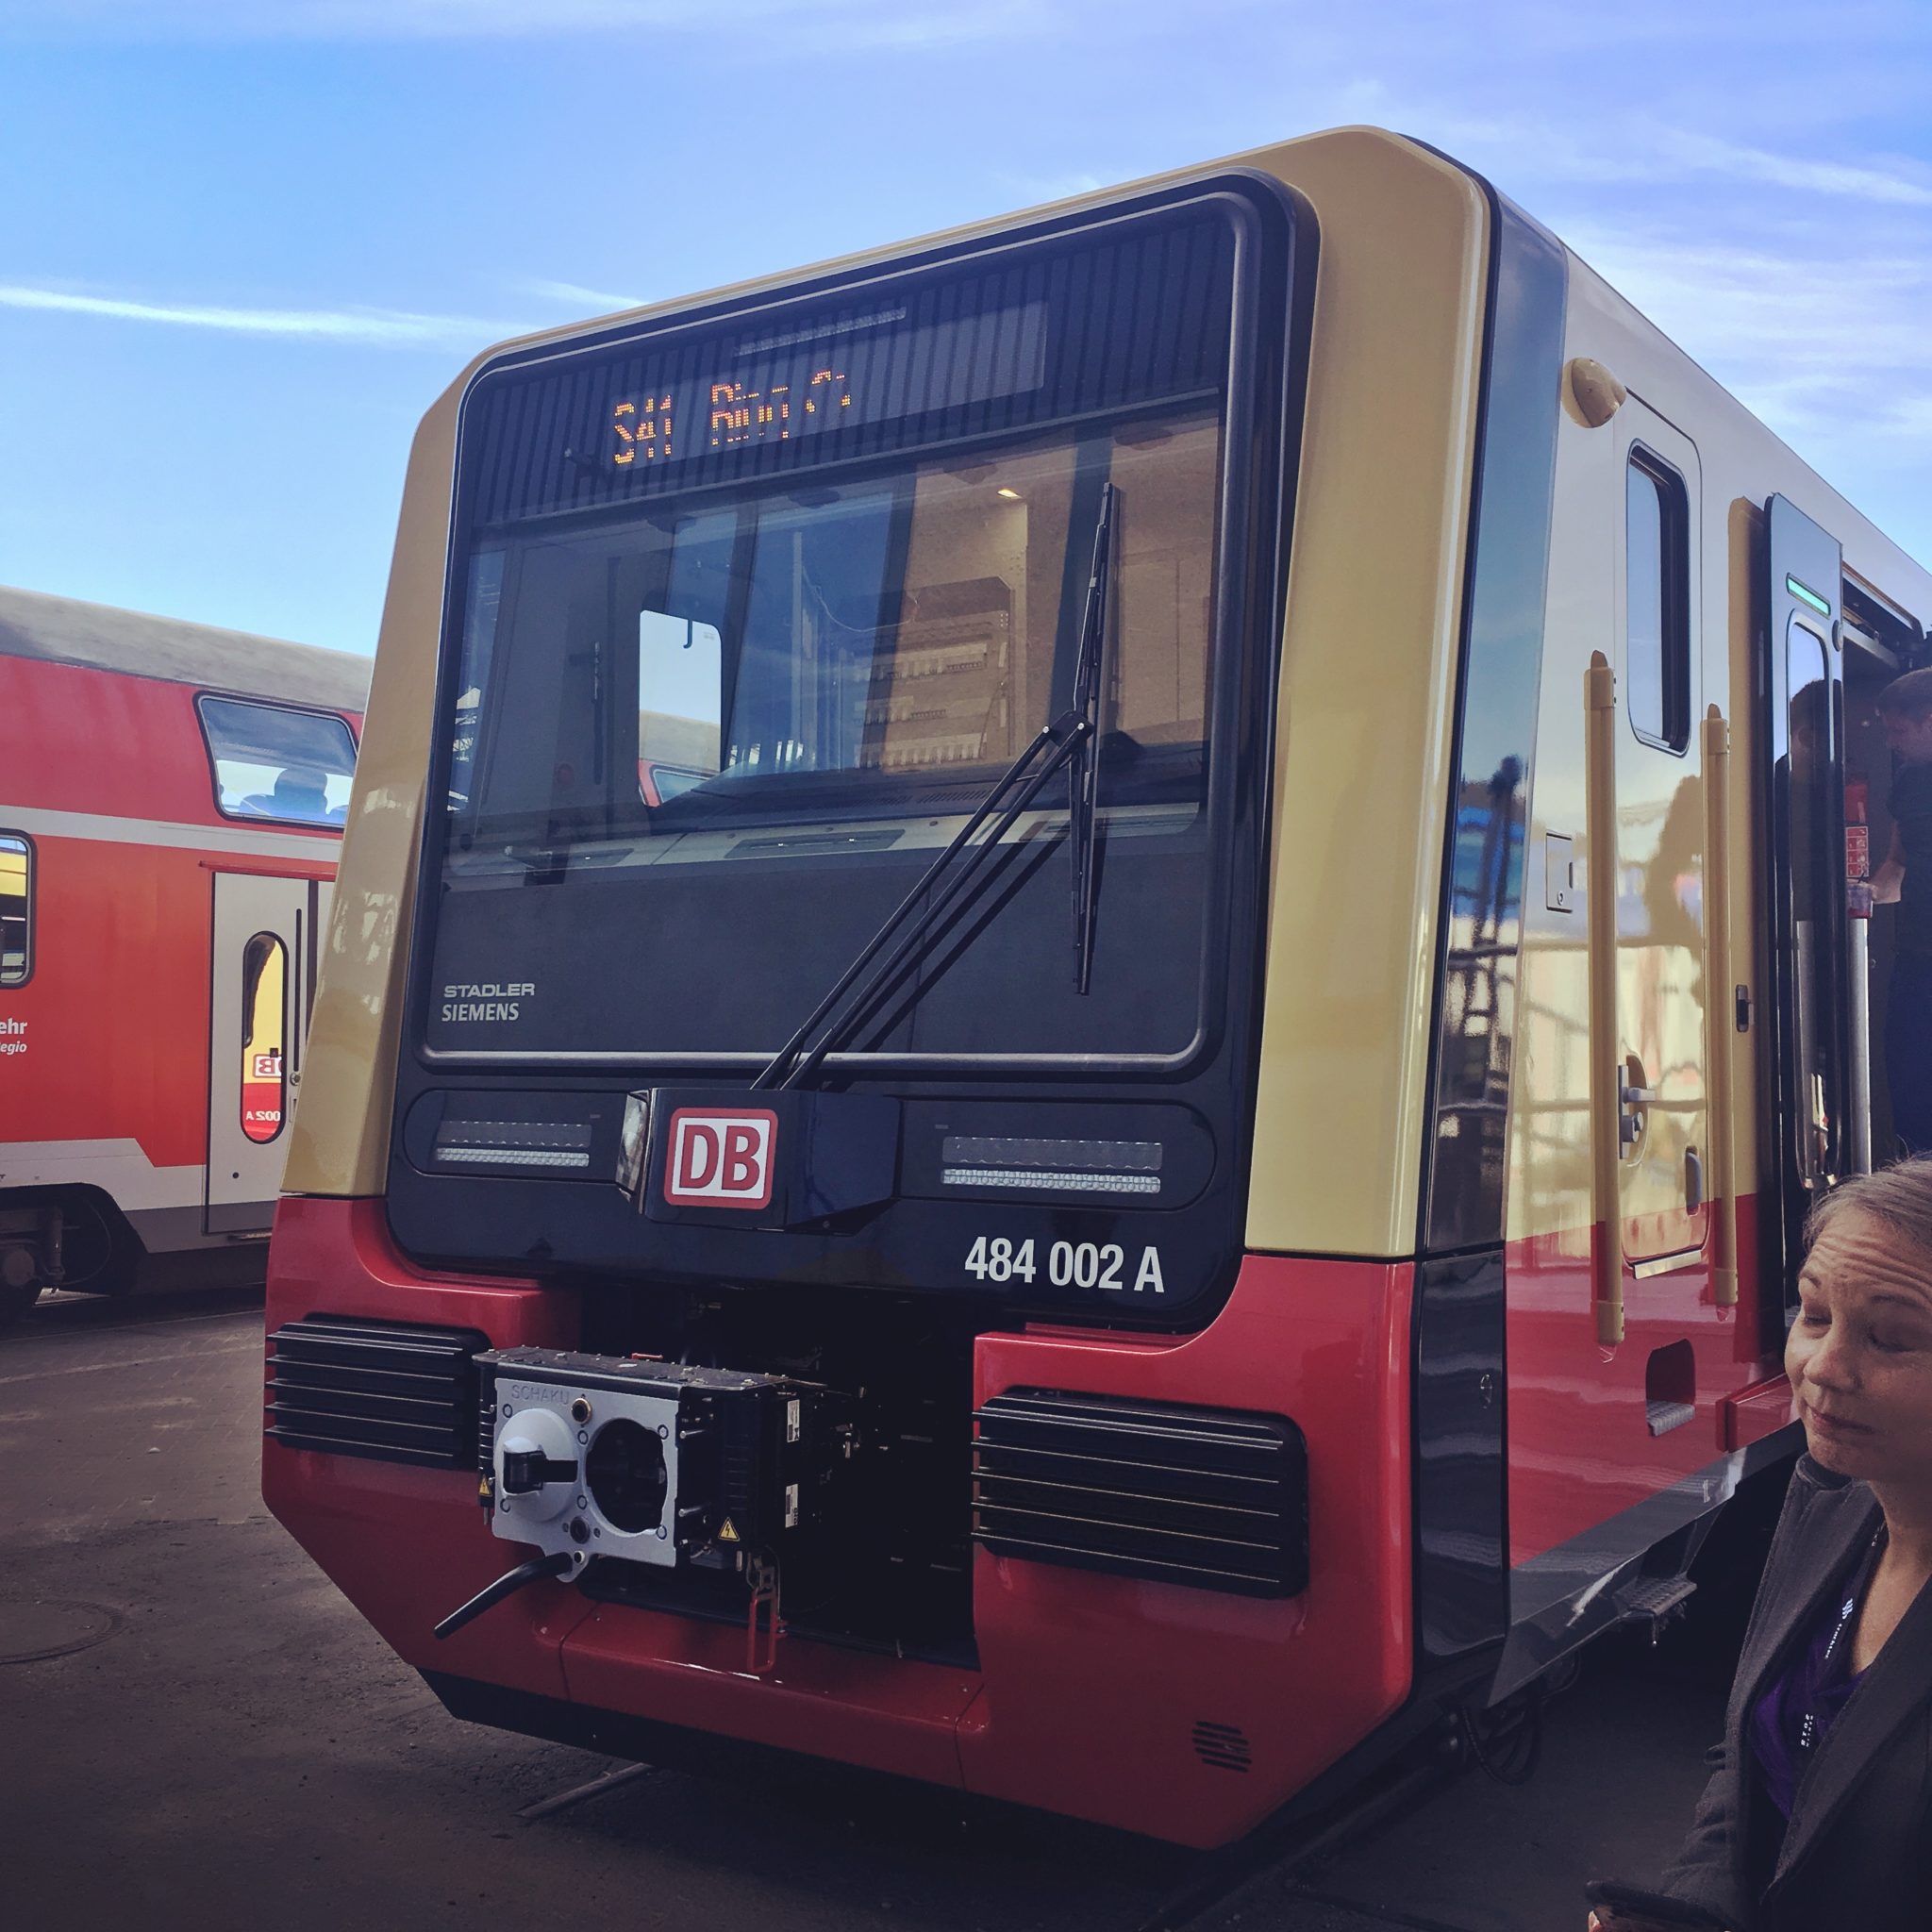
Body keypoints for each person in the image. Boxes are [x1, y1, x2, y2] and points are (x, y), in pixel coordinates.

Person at [1591, 1158, 1932, 1930]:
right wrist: (1687, 1909)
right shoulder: (1827, 1499)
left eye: (1891, 1339)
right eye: (1814, 1315)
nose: (1823, 1368)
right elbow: (1749, 1763)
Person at [1871, 667, 1932, 1155]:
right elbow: (1897, 865)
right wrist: (1866, 894)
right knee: (1909, 1087)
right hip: (1915, 960)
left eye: (1898, 731)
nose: (1891, 743)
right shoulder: (1909, 784)